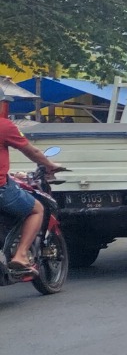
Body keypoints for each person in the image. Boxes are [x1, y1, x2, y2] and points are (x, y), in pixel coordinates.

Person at [0, 116, 67, 274]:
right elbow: (32, 151)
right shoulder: (4, 125)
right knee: (37, 209)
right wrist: (50, 165)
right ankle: (21, 255)